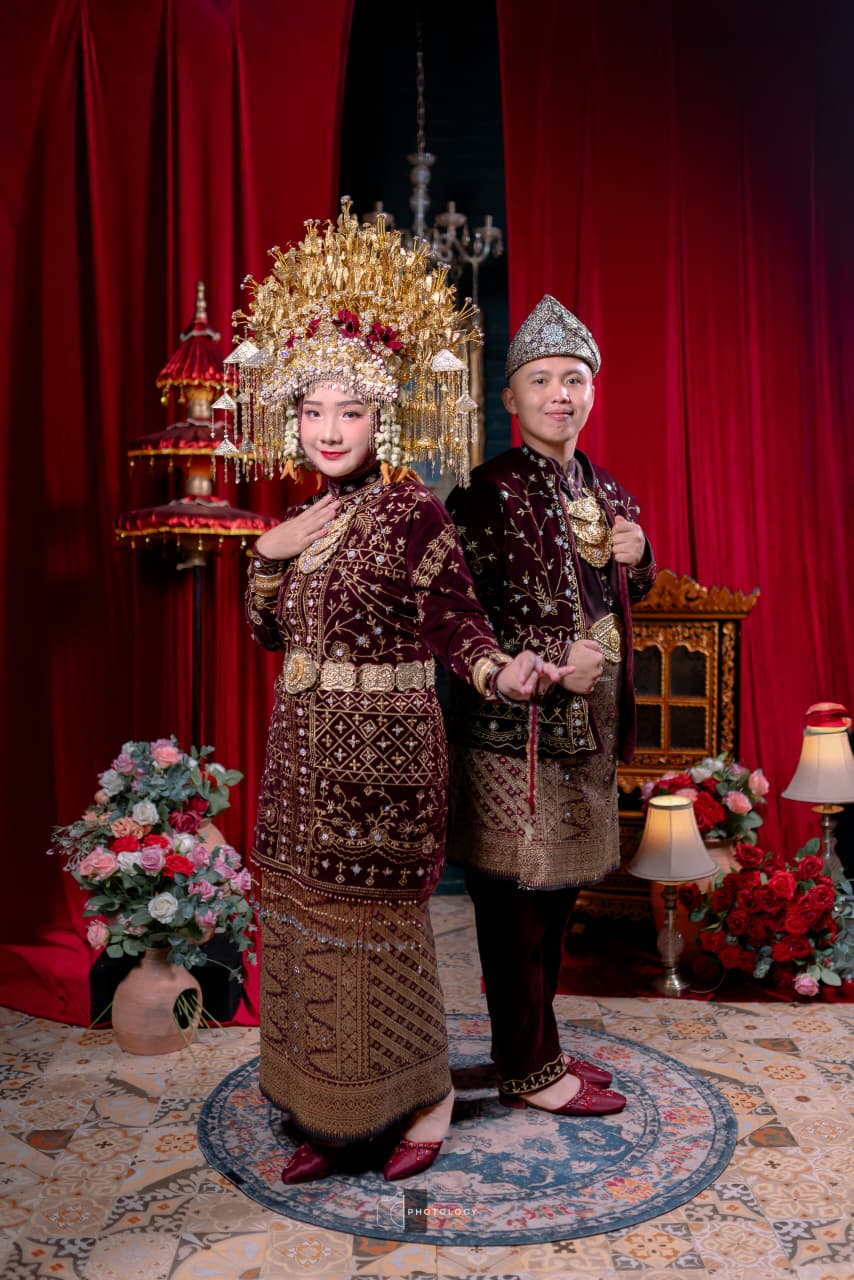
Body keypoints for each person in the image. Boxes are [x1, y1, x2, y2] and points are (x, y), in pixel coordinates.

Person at [239, 207, 569, 1185]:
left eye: (348, 411)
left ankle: (422, 1097)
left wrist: (501, 671)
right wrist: (265, 557)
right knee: (304, 927)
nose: (328, 429)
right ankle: (329, 1111)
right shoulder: (302, 517)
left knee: (373, 938)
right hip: (298, 754)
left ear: (380, 417)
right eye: (313, 410)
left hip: (383, 760)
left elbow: (457, 624)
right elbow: (269, 633)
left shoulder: (412, 507)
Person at [446, 294, 657, 1117]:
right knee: (515, 908)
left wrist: (641, 559)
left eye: (574, 379)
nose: (560, 394)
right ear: (511, 397)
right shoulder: (484, 492)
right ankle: (530, 1068)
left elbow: (616, 592)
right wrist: (544, 659)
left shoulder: (607, 489)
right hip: (512, 734)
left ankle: (534, 1048)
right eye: (541, 380)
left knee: (559, 900)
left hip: (588, 731)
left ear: (593, 391)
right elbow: (458, 613)